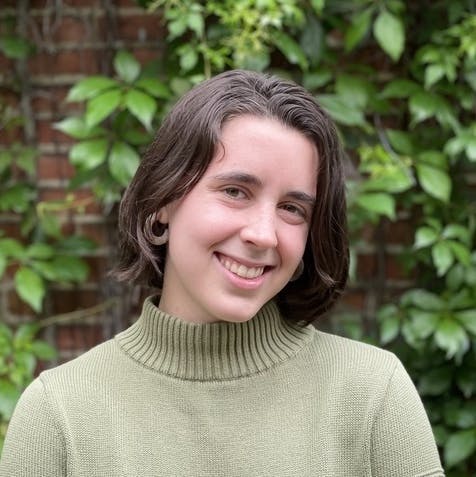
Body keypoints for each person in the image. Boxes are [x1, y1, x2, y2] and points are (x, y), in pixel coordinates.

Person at [0, 70, 444, 476]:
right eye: (235, 191)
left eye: (292, 208)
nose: (264, 234)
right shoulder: (59, 414)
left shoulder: (372, 394)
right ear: (162, 200)